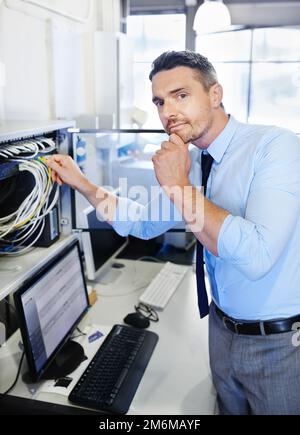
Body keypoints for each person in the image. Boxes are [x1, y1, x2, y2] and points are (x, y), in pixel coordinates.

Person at [47, 50, 300, 415]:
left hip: (277, 343)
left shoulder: (275, 147)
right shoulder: (193, 161)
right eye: (159, 101)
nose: (168, 112)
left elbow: (257, 255)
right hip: (221, 329)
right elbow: (143, 223)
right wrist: (83, 183)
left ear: (215, 95)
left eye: (181, 95)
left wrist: (178, 186)